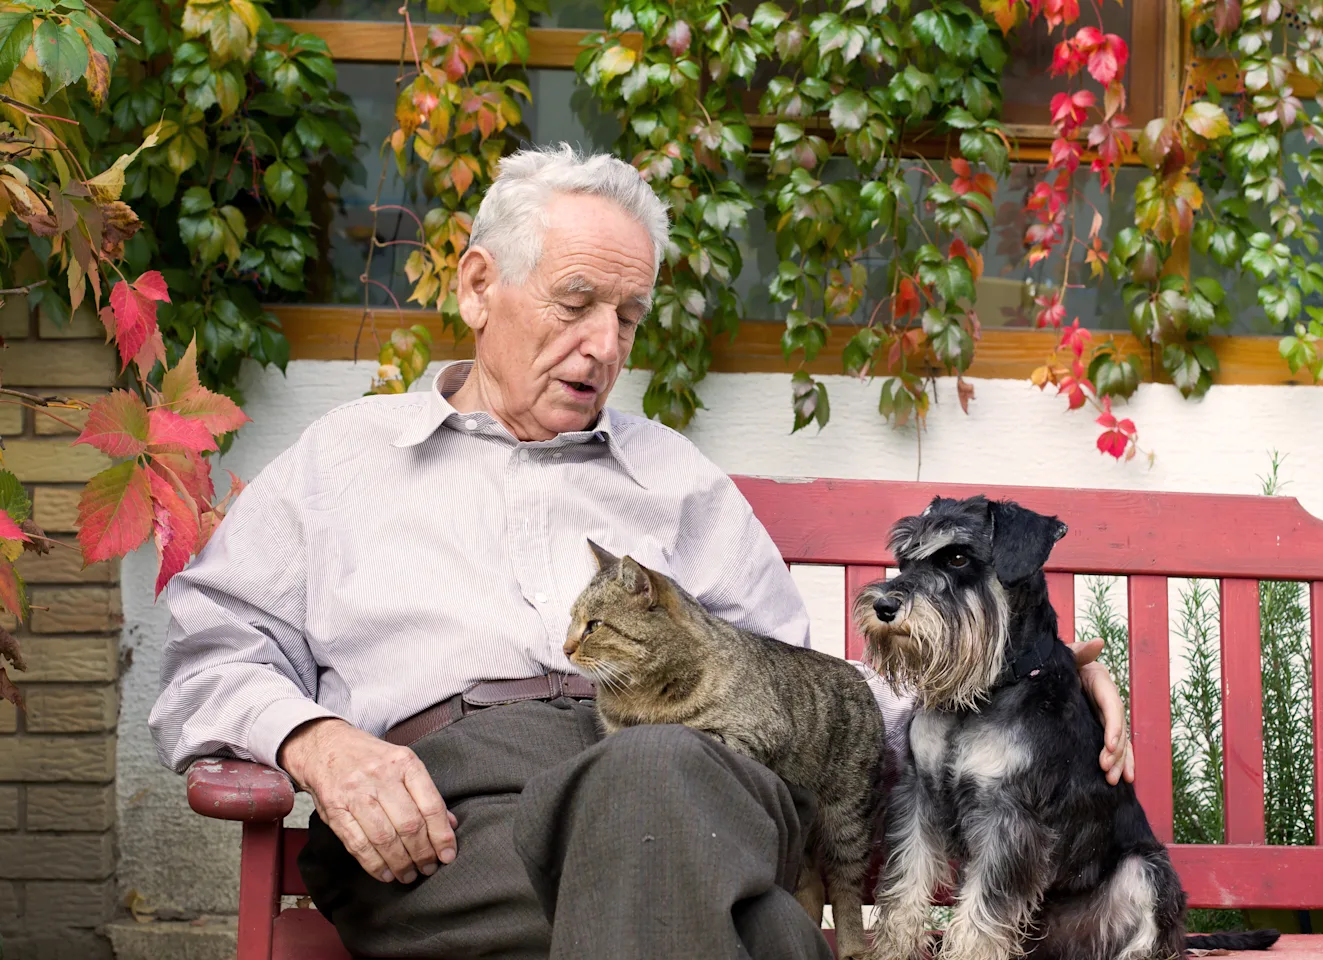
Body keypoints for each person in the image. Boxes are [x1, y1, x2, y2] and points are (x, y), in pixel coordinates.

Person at [149, 144, 1135, 960]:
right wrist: (316, 743)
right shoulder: (344, 459)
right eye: (575, 303)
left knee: (660, 776)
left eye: (626, 318)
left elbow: (804, 695)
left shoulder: (674, 477)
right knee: (756, 925)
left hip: (705, 781)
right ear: (480, 286)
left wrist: (1013, 679)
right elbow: (208, 655)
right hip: (453, 825)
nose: (604, 345)